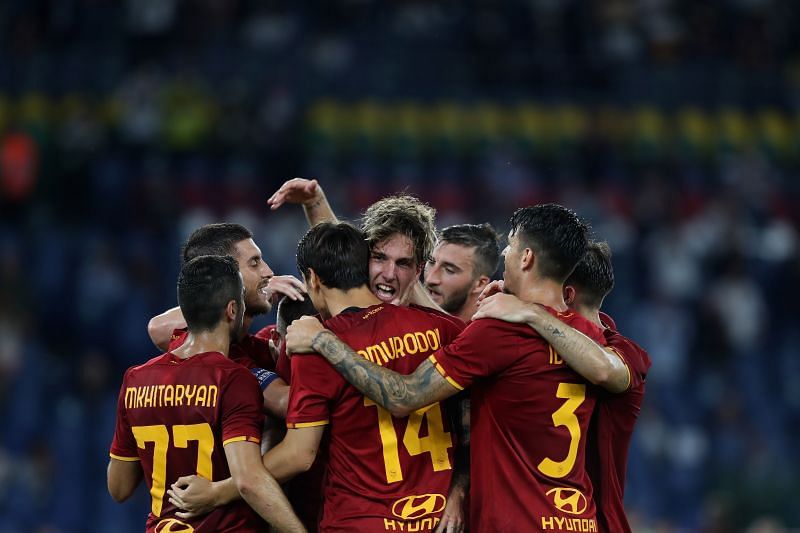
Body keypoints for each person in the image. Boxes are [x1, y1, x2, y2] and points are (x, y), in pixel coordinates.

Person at [284, 204, 606, 532]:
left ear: (526, 258)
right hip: (577, 518)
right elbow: (615, 374)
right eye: (379, 258)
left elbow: (405, 396)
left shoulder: (489, 334)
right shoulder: (590, 337)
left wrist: (322, 342)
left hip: (509, 520)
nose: (390, 273)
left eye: (509, 246)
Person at [171, 222, 465, 532]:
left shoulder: (315, 345)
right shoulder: (440, 328)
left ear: (312, 278)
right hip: (436, 518)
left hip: (359, 521)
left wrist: (221, 490)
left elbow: (299, 455)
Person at [107, 255, 304, 532]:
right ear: (232, 310)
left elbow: (118, 487)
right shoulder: (233, 378)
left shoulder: (136, 379)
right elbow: (249, 481)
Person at [473, 241, 652, 533]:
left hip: (594, 522)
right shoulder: (535, 342)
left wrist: (529, 312)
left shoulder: (622, 352)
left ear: (566, 295)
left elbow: (604, 369)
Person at [147, 222, 304, 418]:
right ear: (227, 274)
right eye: (254, 263)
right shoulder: (209, 353)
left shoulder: (253, 347)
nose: (269, 272)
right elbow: (157, 327)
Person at [424, 223, 501, 323]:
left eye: (449, 270)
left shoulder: (489, 335)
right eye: (431, 262)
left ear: (479, 284)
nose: (431, 279)